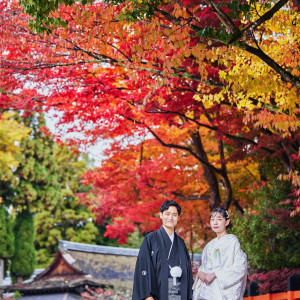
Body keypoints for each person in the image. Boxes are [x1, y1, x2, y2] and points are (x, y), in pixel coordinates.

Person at [132, 200, 193, 300]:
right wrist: (148, 296)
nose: (170, 218)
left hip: (178, 295)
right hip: (157, 295)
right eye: (167, 214)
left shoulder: (181, 243)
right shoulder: (151, 239)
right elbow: (143, 268)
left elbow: (188, 272)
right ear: (161, 215)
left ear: (178, 217)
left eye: (174, 215)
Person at [193, 207, 248, 300]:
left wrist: (216, 274)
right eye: (212, 220)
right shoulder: (209, 245)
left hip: (221, 292)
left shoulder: (232, 241)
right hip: (207, 291)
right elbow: (205, 266)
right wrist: (200, 273)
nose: (215, 223)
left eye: (219, 219)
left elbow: (240, 266)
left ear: (226, 222)